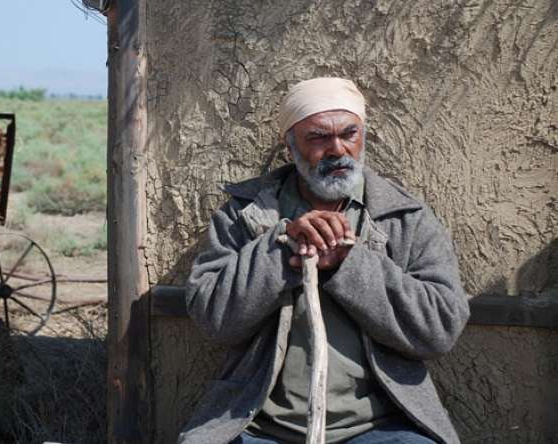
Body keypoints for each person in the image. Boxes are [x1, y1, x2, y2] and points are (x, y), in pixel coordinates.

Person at [179, 78, 470, 444]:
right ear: (290, 147)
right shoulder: (245, 215)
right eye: (318, 137)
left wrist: (349, 265)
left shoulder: (403, 217)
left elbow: (440, 328)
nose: (337, 150)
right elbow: (213, 319)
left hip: (379, 427)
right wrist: (281, 249)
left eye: (349, 134)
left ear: (363, 137)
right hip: (257, 427)